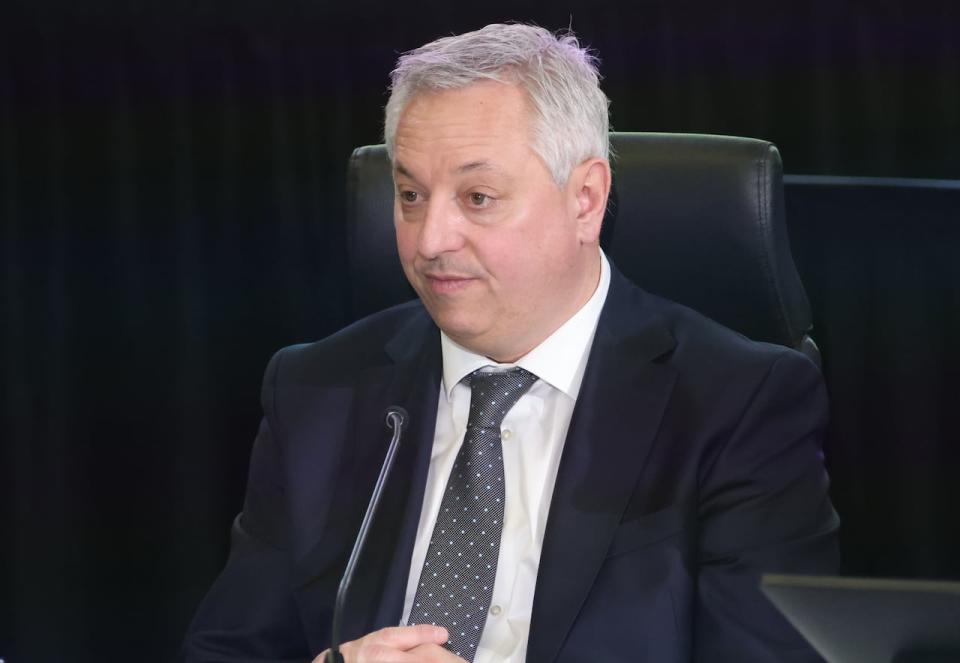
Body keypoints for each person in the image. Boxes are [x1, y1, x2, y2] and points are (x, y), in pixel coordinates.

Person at [184, 23, 839, 663]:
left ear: (585, 199)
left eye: (478, 197)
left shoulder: (737, 405)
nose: (430, 237)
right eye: (410, 193)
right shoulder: (315, 391)